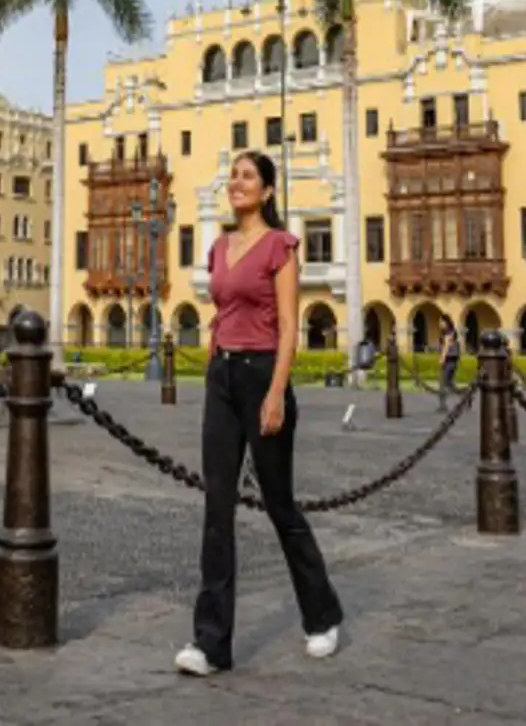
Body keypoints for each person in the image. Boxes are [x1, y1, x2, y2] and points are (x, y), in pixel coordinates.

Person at [175, 151, 343, 677]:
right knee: (217, 506)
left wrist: (275, 394)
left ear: (267, 191)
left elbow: (289, 326)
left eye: (248, 176)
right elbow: (223, 312)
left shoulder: (280, 247)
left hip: (263, 374)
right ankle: (211, 644)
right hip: (222, 376)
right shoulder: (219, 247)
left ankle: (322, 616)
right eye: (234, 175)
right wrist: (214, 362)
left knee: (280, 505)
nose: (237, 183)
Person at [437, 317, 462, 407]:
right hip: (452, 360)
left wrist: (442, 358)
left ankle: (442, 405)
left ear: (446, 322)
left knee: (442, 383)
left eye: (442, 322)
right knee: (450, 383)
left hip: (448, 360)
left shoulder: (449, 333)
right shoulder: (451, 332)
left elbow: (446, 346)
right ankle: (465, 396)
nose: (440, 324)